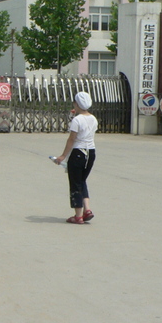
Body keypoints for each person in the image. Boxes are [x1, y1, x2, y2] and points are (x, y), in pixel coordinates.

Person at [54, 91, 98, 224]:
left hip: (78, 153)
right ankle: (87, 209)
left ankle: (78, 215)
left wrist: (62, 156)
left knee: (75, 182)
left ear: (77, 104)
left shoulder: (77, 120)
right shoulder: (93, 119)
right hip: (91, 153)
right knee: (82, 180)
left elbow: (71, 139)